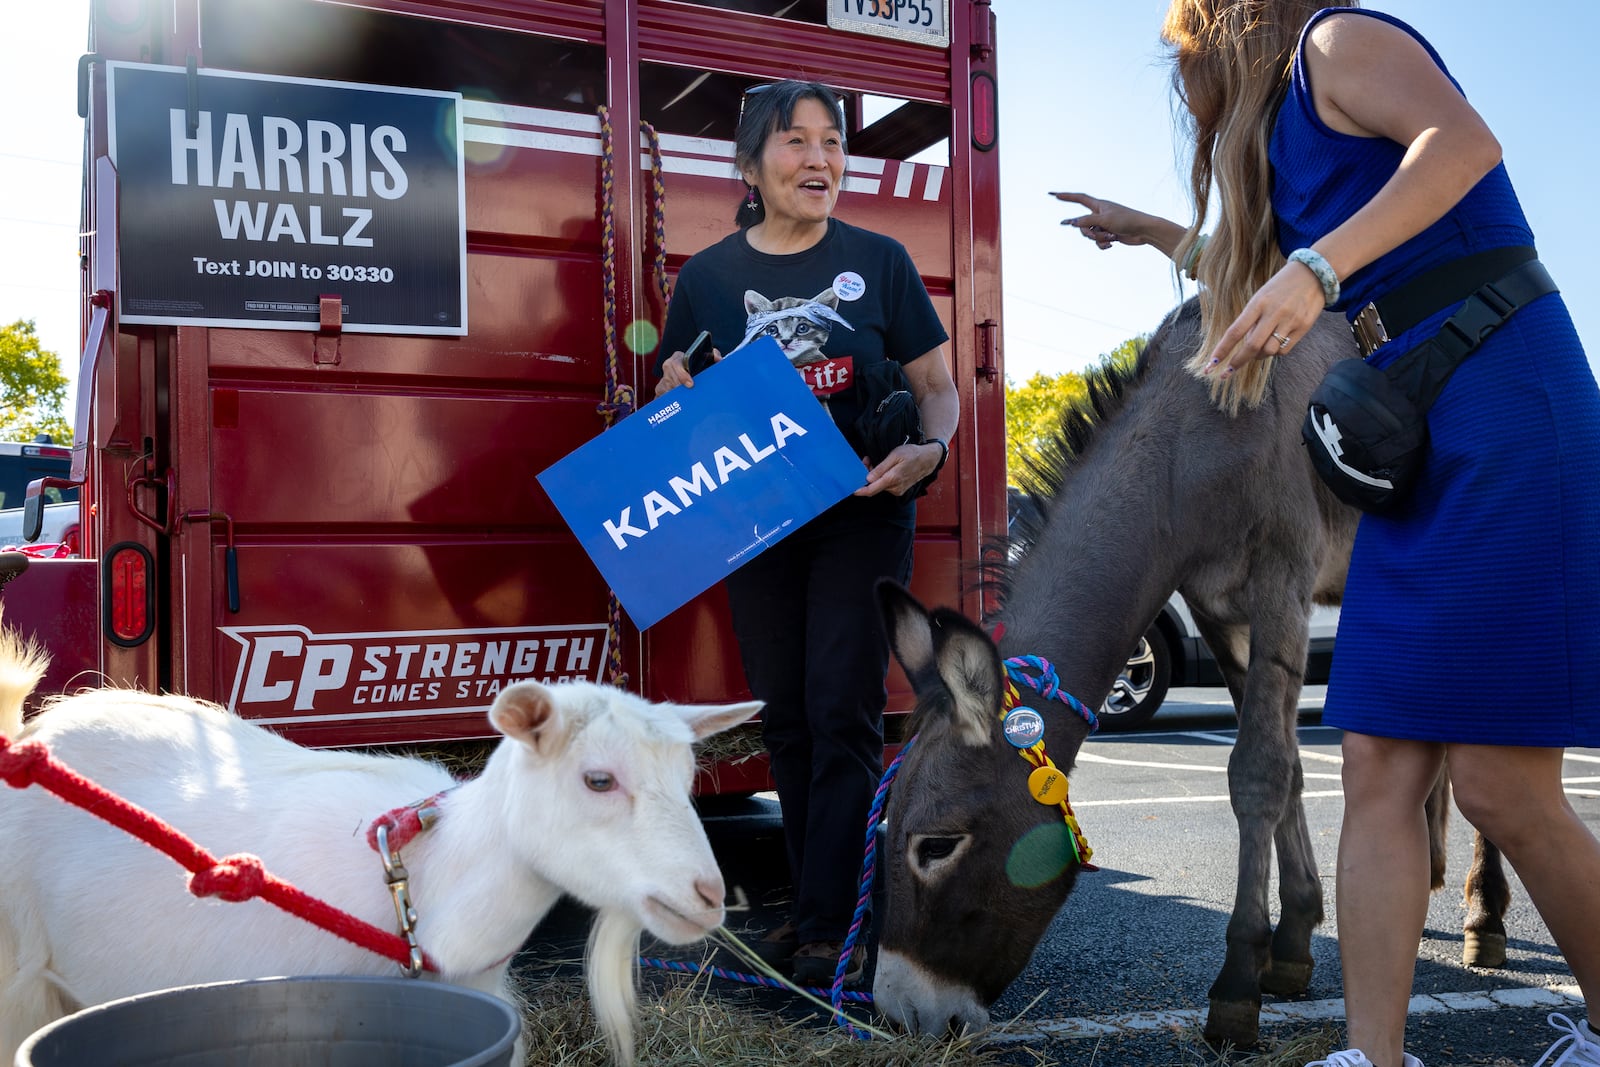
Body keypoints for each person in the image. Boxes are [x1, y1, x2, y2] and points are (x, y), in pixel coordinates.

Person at [1052, 4, 1600, 1066]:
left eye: (1178, 61)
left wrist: (1316, 270)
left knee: (1492, 781)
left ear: (1217, 34)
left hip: (1503, 403)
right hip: (1408, 431)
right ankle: (1371, 1054)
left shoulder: (1332, 42)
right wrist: (1155, 232)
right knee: (1378, 761)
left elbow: (1467, 144)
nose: (1177, 91)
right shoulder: (1273, 151)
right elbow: (1254, 275)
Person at [653, 79, 958, 987]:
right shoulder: (707, 280)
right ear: (749, 165)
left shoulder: (883, 260)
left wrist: (931, 451)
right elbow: (684, 412)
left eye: (833, 141)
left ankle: (836, 923)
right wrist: (673, 404)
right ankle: (811, 905)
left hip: (863, 511)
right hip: (758, 519)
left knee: (841, 707)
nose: (821, 158)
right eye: (796, 141)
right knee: (783, 713)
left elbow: (937, 386)